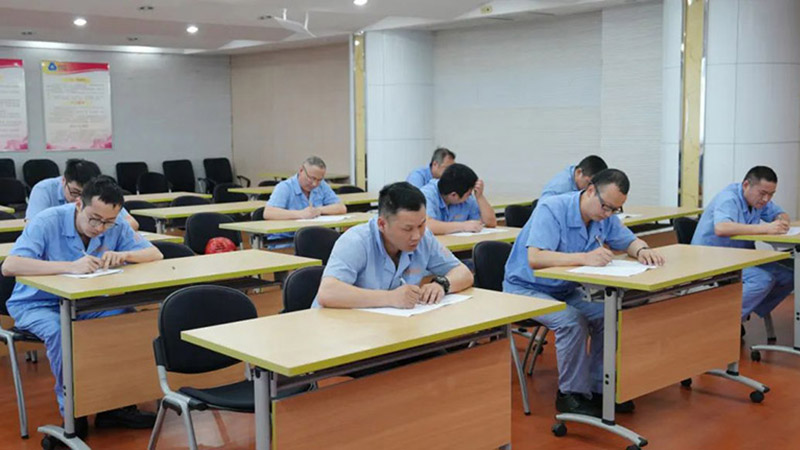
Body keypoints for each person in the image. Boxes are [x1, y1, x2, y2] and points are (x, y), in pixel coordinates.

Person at [2, 176, 163, 439]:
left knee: (123, 319)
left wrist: (125, 254)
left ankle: (115, 406)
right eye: (94, 219)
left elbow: (155, 253)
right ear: (79, 204)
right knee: (60, 332)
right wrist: (70, 266)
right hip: (38, 303)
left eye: (108, 222)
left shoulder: (114, 224)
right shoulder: (47, 221)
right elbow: (10, 266)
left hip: (85, 302)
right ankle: (72, 413)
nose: (100, 228)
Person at [503, 169, 664, 417]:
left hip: (564, 288)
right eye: (606, 207)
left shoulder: (604, 215)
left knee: (607, 314)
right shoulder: (552, 208)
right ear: (590, 190)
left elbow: (628, 240)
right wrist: (585, 258)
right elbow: (536, 258)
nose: (608, 214)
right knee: (571, 321)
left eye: (615, 210)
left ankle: (601, 388)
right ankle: (570, 395)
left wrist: (642, 250)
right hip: (525, 289)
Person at [314, 181, 473, 309]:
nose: (417, 235)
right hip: (338, 328)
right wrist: (390, 298)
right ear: (382, 224)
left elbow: (463, 272)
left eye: (421, 225)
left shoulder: (425, 238)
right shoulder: (356, 241)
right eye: (407, 229)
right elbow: (328, 292)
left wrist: (442, 284)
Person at [691, 166, 793, 324]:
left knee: (788, 277)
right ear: (746, 185)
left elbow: (780, 213)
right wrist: (765, 228)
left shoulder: (759, 200)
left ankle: (741, 314)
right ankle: (721, 322)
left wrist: (781, 221)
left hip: (740, 257)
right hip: (712, 257)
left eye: (771, 194)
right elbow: (721, 228)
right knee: (761, 280)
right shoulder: (728, 198)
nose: (766, 199)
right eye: (763, 193)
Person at [26, 158, 140, 231]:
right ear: (64, 180)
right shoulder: (43, 189)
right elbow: (33, 227)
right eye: (75, 192)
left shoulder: (99, 190)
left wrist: (102, 229)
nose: (79, 199)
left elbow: (132, 223)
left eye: (85, 194)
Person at [262, 156, 347, 242]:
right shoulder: (285, 187)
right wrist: (301, 214)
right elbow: (268, 213)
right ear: (301, 170)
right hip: (285, 240)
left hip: (314, 239)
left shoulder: (322, 186)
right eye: (312, 178)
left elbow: (341, 208)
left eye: (319, 180)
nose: (314, 184)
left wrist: (318, 210)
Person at [419, 163, 497, 235]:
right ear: (454, 195)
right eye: (469, 194)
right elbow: (427, 225)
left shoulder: (466, 197)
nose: (470, 196)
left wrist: (480, 197)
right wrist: (463, 226)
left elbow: (490, 223)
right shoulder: (426, 195)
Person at [541, 155, 608, 198]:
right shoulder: (560, 188)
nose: (591, 189)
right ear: (579, 172)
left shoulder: (576, 176)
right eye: (589, 183)